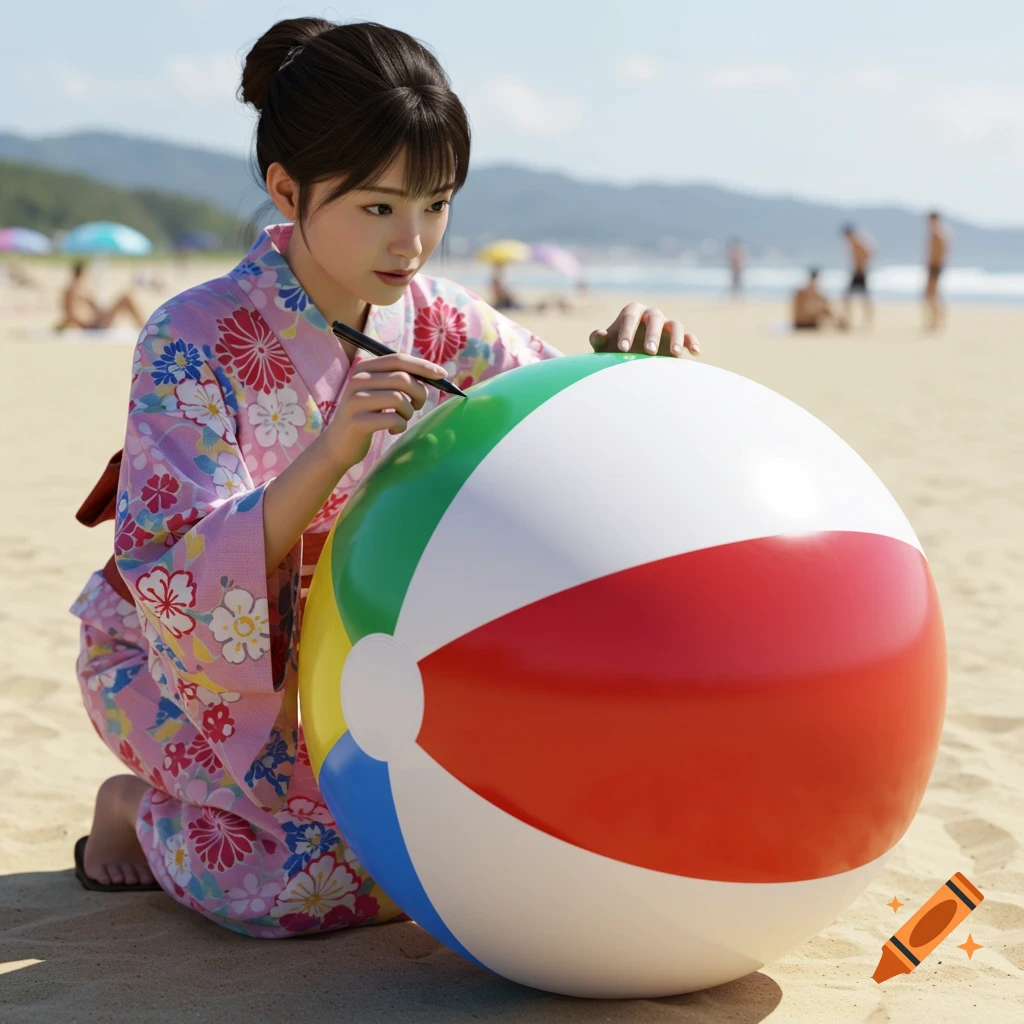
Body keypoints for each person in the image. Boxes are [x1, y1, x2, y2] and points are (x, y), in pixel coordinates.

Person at [69, 17, 701, 934]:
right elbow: (167, 564)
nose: (412, 242)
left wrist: (626, 372)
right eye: (377, 208)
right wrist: (328, 451)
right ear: (287, 190)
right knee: (294, 884)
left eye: (435, 205)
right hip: (183, 669)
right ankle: (132, 808)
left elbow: (558, 439)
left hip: (367, 658)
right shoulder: (191, 334)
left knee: (455, 844)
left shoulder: (447, 324)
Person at [60, 260, 145, 331]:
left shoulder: (80, 290)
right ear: (81, 273)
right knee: (125, 299)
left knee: (126, 298)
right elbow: (71, 315)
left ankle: (143, 327)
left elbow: (96, 308)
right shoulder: (71, 292)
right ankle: (144, 328)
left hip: (96, 321)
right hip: (92, 325)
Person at [841, 223, 876, 329]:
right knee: (859, 298)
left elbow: (871, 253)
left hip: (860, 273)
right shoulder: (854, 242)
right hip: (857, 273)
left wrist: (861, 265)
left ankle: (865, 320)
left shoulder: (858, 241)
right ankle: (850, 320)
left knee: (860, 298)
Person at [923, 210, 950, 331]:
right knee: (933, 294)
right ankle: (936, 320)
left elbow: (939, 252)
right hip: (935, 266)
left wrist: (935, 265)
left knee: (931, 295)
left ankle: (935, 321)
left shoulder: (937, 232)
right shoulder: (940, 232)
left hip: (935, 266)